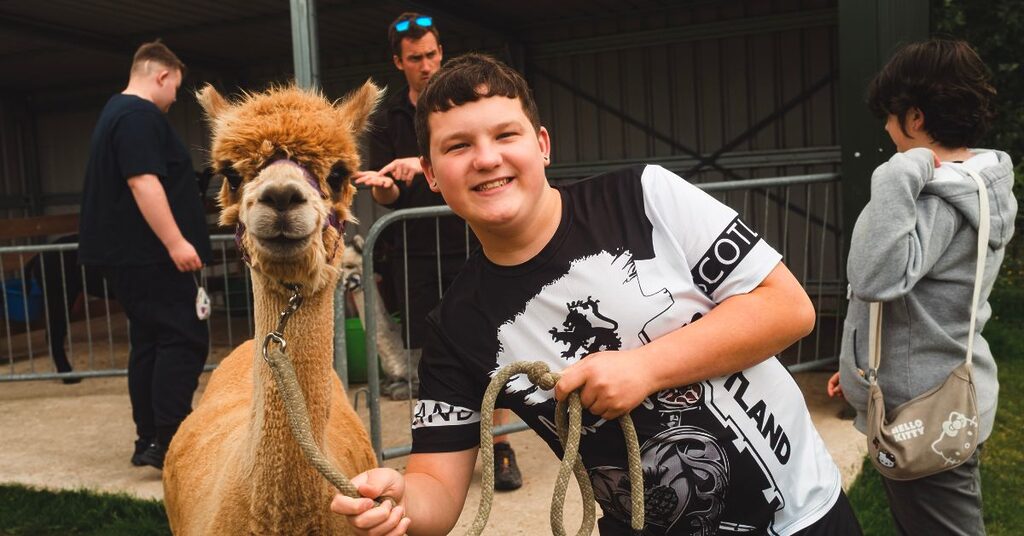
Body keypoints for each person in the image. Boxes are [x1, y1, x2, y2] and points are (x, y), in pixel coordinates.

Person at [332, 53, 860, 535]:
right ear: (430, 174)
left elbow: (788, 308)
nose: (486, 158)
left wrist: (645, 368)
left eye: (505, 135)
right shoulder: (457, 326)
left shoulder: (645, 197)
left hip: (803, 515)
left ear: (542, 145)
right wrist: (402, 501)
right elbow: (437, 487)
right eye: (458, 146)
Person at [827, 39, 1017, 535]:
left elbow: (872, 277)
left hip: (921, 413)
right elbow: (913, 305)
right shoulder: (979, 186)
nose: (888, 133)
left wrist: (896, 173)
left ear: (914, 119)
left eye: (889, 121)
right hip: (936, 389)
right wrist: (855, 366)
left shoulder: (935, 199)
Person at [353, 12, 522, 491]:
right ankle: (450, 450)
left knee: (495, 342)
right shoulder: (387, 120)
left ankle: (501, 445)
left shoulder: (462, 103)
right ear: (398, 63)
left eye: (431, 54)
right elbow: (387, 197)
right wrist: (386, 186)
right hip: (417, 251)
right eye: (415, 59)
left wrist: (422, 160)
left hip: (476, 240)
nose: (426, 65)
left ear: (441, 52)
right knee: (440, 351)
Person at [78, 40, 211, 470]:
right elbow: (142, 181)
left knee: (150, 343)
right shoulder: (138, 115)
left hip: (133, 258)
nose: (174, 99)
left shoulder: (114, 113)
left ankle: (150, 438)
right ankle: (171, 440)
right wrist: (176, 241)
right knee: (182, 338)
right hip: (154, 257)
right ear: (162, 76)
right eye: (176, 88)